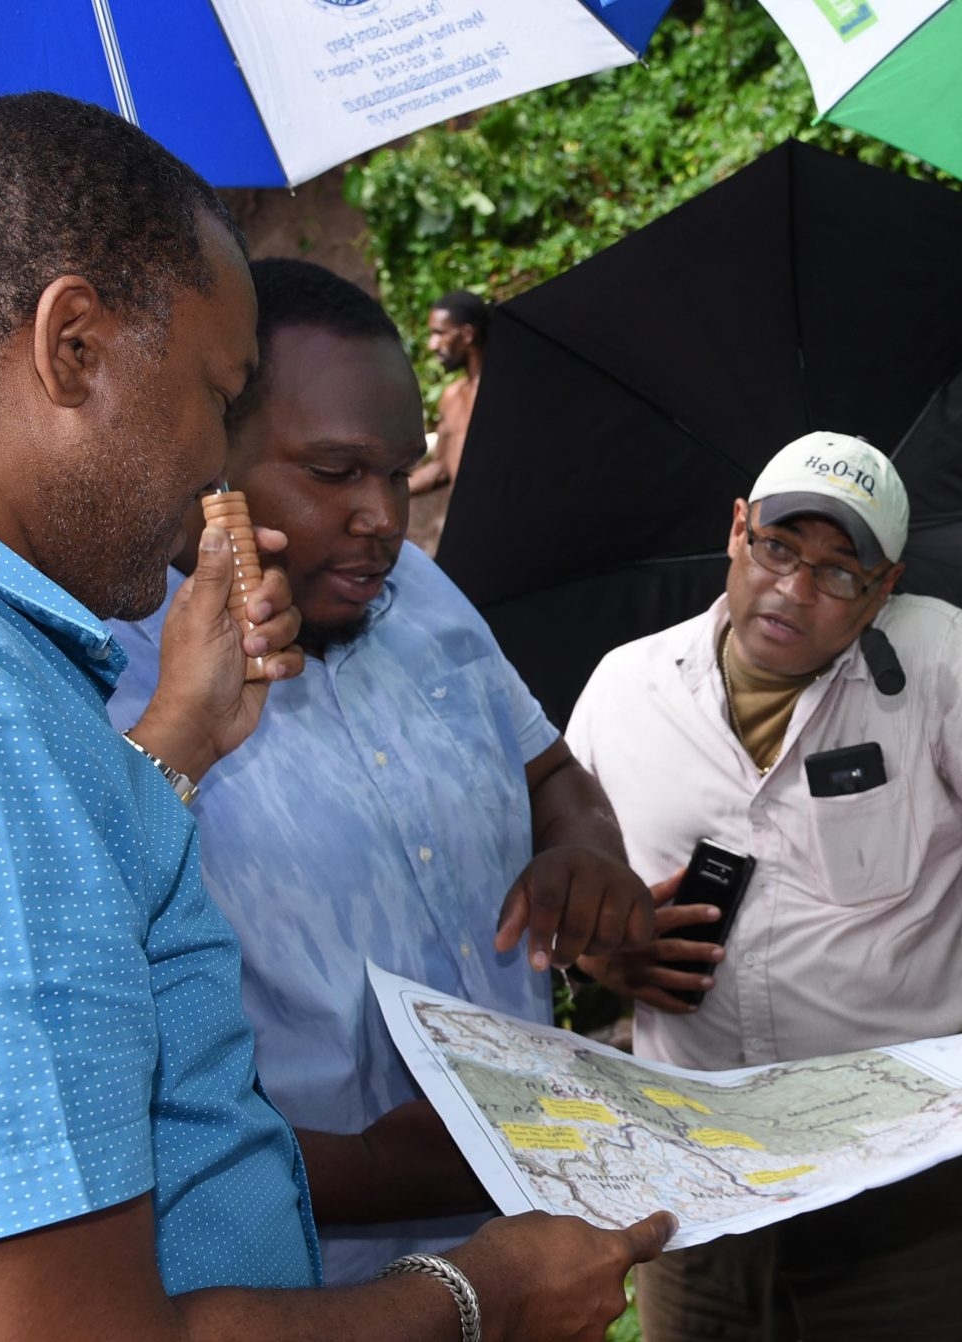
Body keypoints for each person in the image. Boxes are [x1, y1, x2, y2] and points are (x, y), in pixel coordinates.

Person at [0, 94, 669, 1341]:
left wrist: (179, 744)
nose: (216, 461)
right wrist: (481, 1294)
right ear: (75, 349)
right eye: (217, 397)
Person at [105, 258, 655, 1285]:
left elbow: (551, 775)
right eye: (332, 472)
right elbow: (110, 1111)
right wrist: (374, 1173)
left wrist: (582, 850)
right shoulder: (109, 685)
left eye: (398, 471)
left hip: (531, 1265)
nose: (383, 519)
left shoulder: (425, 596)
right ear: (207, 452)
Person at [565, 432, 962, 1342]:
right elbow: (559, 895)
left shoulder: (940, 662)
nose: (796, 589)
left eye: (841, 571)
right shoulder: (624, 692)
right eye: (779, 547)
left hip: (907, 1172)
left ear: (885, 588)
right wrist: (598, 954)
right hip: (700, 1175)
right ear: (736, 532)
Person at [410, 289, 488, 497]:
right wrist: (390, 490)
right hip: (468, 524)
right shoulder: (451, 396)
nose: (432, 344)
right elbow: (442, 467)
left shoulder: (506, 393)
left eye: (440, 333)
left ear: (468, 335)